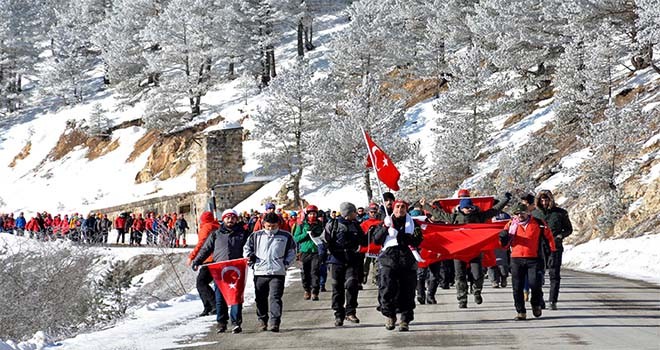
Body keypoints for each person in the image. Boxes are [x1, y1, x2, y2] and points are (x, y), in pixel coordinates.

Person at [420, 192, 511, 309]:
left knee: (478, 274)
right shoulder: (453, 217)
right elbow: (438, 214)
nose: (467, 209)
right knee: (460, 276)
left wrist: (505, 200)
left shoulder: (479, 216)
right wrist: (425, 205)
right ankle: (462, 299)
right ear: (461, 207)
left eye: (469, 207)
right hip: (459, 252)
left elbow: (494, 210)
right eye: (465, 207)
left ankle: (477, 291)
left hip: (475, 251)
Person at [192, 209, 248, 334]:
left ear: (236, 219)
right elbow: (206, 248)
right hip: (219, 270)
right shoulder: (216, 234)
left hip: (236, 270)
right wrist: (197, 260)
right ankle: (221, 322)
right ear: (223, 219)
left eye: (233, 217)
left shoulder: (243, 233)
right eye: (227, 217)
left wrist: (251, 257)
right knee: (220, 297)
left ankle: (236, 323)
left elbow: (250, 247)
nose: (230, 220)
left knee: (236, 297)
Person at [499, 203, 556, 320]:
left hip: (534, 259)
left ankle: (536, 304)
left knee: (535, 284)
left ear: (528, 213)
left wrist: (552, 252)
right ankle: (521, 312)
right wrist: (503, 237)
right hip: (516, 259)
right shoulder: (510, 225)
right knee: (517, 287)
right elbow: (503, 245)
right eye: (517, 213)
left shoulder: (539, 223)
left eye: (522, 213)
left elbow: (549, 237)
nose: (520, 215)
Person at [373, 199, 423, 331]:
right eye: (397, 207)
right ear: (393, 209)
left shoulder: (414, 224)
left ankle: (405, 319)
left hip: (407, 261)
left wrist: (404, 237)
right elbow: (376, 240)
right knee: (387, 288)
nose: (400, 210)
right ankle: (390, 315)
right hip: (388, 260)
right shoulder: (386, 222)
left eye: (403, 207)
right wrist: (385, 228)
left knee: (407, 291)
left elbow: (418, 240)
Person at [243, 212, 296, 333]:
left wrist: (286, 263)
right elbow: (246, 249)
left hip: (277, 272)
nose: (270, 229)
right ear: (263, 224)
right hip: (260, 272)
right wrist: (250, 261)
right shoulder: (255, 236)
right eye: (268, 226)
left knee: (275, 298)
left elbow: (292, 251)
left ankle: (275, 322)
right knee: (260, 298)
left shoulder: (285, 236)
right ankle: (262, 320)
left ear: (278, 224)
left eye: (273, 226)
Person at [324, 202, 368, 327]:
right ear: (349, 213)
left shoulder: (355, 225)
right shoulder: (333, 224)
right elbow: (324, 241)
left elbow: (363, 241)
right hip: (336, 260)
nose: (356, 214)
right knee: (337, 288)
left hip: (352, 260)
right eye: (354, 212)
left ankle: (351, 312)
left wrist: (371, 232)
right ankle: (339, 314)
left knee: (352, 284)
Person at [532, 189, 572, 310]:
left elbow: (569, 229)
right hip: (539, 247)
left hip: (555, 246)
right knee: (537, 275)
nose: (544, 202)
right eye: (542, 200)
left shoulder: (560, 213)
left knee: (554, 274)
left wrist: (560, 236)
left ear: (551, 200)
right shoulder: (534, 214)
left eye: (546, 200)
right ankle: (540, 299)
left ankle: (553, 300)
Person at [187, 211, 220, 317]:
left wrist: (192, 257)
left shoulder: (206, 227)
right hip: (217, 258)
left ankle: (213, 305)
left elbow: (202, 244)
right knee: (208, 283)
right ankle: (209, 306)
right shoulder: (217, 226)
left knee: (201, 283)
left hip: (209, 259)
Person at [293, 205, 323, 301]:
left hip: (316, 251)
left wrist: (317, 234)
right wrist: (306, 234)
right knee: (305, 273)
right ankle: (307, 290)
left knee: (315, 271)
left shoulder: (320, 224)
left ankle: (315, 291)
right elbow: (296, 238)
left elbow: (324, 237)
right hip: (304, 252)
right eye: (310, 214)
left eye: (314, 214)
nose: (312, 216)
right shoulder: (301, 225)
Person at [360, 203, 382, 286]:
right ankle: (364, 275)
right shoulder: (364, 223)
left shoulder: (380, 223)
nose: (373, 214)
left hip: (377, 247)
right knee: (366, 263)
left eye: (374, 212)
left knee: (376, 264)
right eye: (371, 212)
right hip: (367, 247)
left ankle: (375, 278)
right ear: (369, 213)